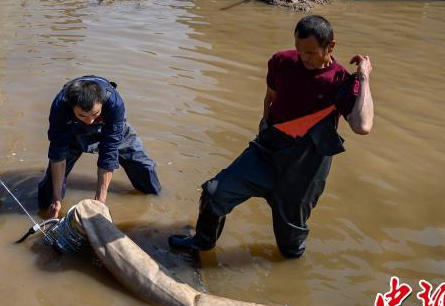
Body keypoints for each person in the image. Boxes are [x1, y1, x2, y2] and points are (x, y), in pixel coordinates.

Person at [169, 15, 374, 258]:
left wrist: (363, 76)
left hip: (305, 168)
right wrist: (266, 128)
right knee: (215, 193)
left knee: (289, 245)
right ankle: (202, 243)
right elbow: (270, 97)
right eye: (299, 50)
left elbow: (362, 125)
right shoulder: (282, 61)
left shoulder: (341, 80)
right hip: (267, 151)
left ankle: (289, 276)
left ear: (330, 47)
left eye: (309, 52)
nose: (303, 58)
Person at [38, 75, 161, 218]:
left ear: (101, 102)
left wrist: (100, 200)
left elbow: (109, 151)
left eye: (95, 114)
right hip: (73, 131)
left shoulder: (114, 103)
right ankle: (44, 212)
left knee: (144, 168)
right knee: (49, 192)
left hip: (109, 128)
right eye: (83, 115)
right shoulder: (60, 106)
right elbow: (58, 153)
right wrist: (56, 197)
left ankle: (157, 199)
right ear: (72, 107)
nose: (90, 121)